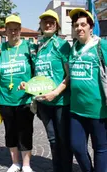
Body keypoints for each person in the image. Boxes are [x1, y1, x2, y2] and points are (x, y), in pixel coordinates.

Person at [20, 10, 72, 172]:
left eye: (52, 22)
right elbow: (38, 74)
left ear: (57, 26)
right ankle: (57, 168)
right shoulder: (39, 46)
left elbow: (69, 75)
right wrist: (27, 85)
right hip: (44, 102)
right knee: (52, 139)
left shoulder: (62, 44)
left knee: (63, 140)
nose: (48, 24)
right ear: (40, 26)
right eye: (45, 22)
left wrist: (55, 93)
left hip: (61, 101)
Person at [0, 14, 35, 172]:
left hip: (24, 99)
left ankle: (26, 165)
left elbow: (36, 71)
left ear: (20, 30)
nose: (13, 32)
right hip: (5, 99)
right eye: (10, 29)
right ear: (5, 31)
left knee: (26, 132)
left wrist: (32, 87)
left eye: (16, 29)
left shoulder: (28, 47)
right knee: (10, 133)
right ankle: (15, 163)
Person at [69, 8, 107, 172]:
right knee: (77, 147)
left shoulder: (101, 45)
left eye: (83, 24)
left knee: (101, 149)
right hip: (76, 110)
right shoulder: (73, 48)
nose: (79, 28)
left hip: (99, 111)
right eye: (76, 25)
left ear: (91, 27)